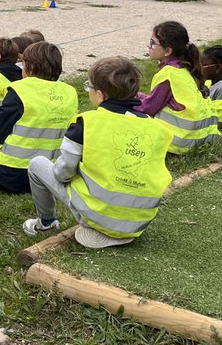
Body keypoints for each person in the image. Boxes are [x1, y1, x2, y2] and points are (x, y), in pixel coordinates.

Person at [24, 56, 174, 249]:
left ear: (101, 95)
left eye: (89, 87)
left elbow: (62, 173)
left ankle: (46, 223)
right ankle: (117, 224)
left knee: (37, 164)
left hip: (97, 215)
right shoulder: (158, 129)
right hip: (138, 222)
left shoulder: (86, 123)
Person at [0, 41, 78, 192]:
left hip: (12, 172)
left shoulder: (20, 89)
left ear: (29, 66)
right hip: (50, 171)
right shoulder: (70, 92)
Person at [138, 21, 218, 154]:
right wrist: (137, 95)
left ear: (167, 51)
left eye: (153, 43)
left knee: (126, 112)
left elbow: (149, 108)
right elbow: (157, 100)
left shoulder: (168, 74)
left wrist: (125, 100)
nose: (149, 46)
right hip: (199, 138)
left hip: (180, 142)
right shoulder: (184, 68)